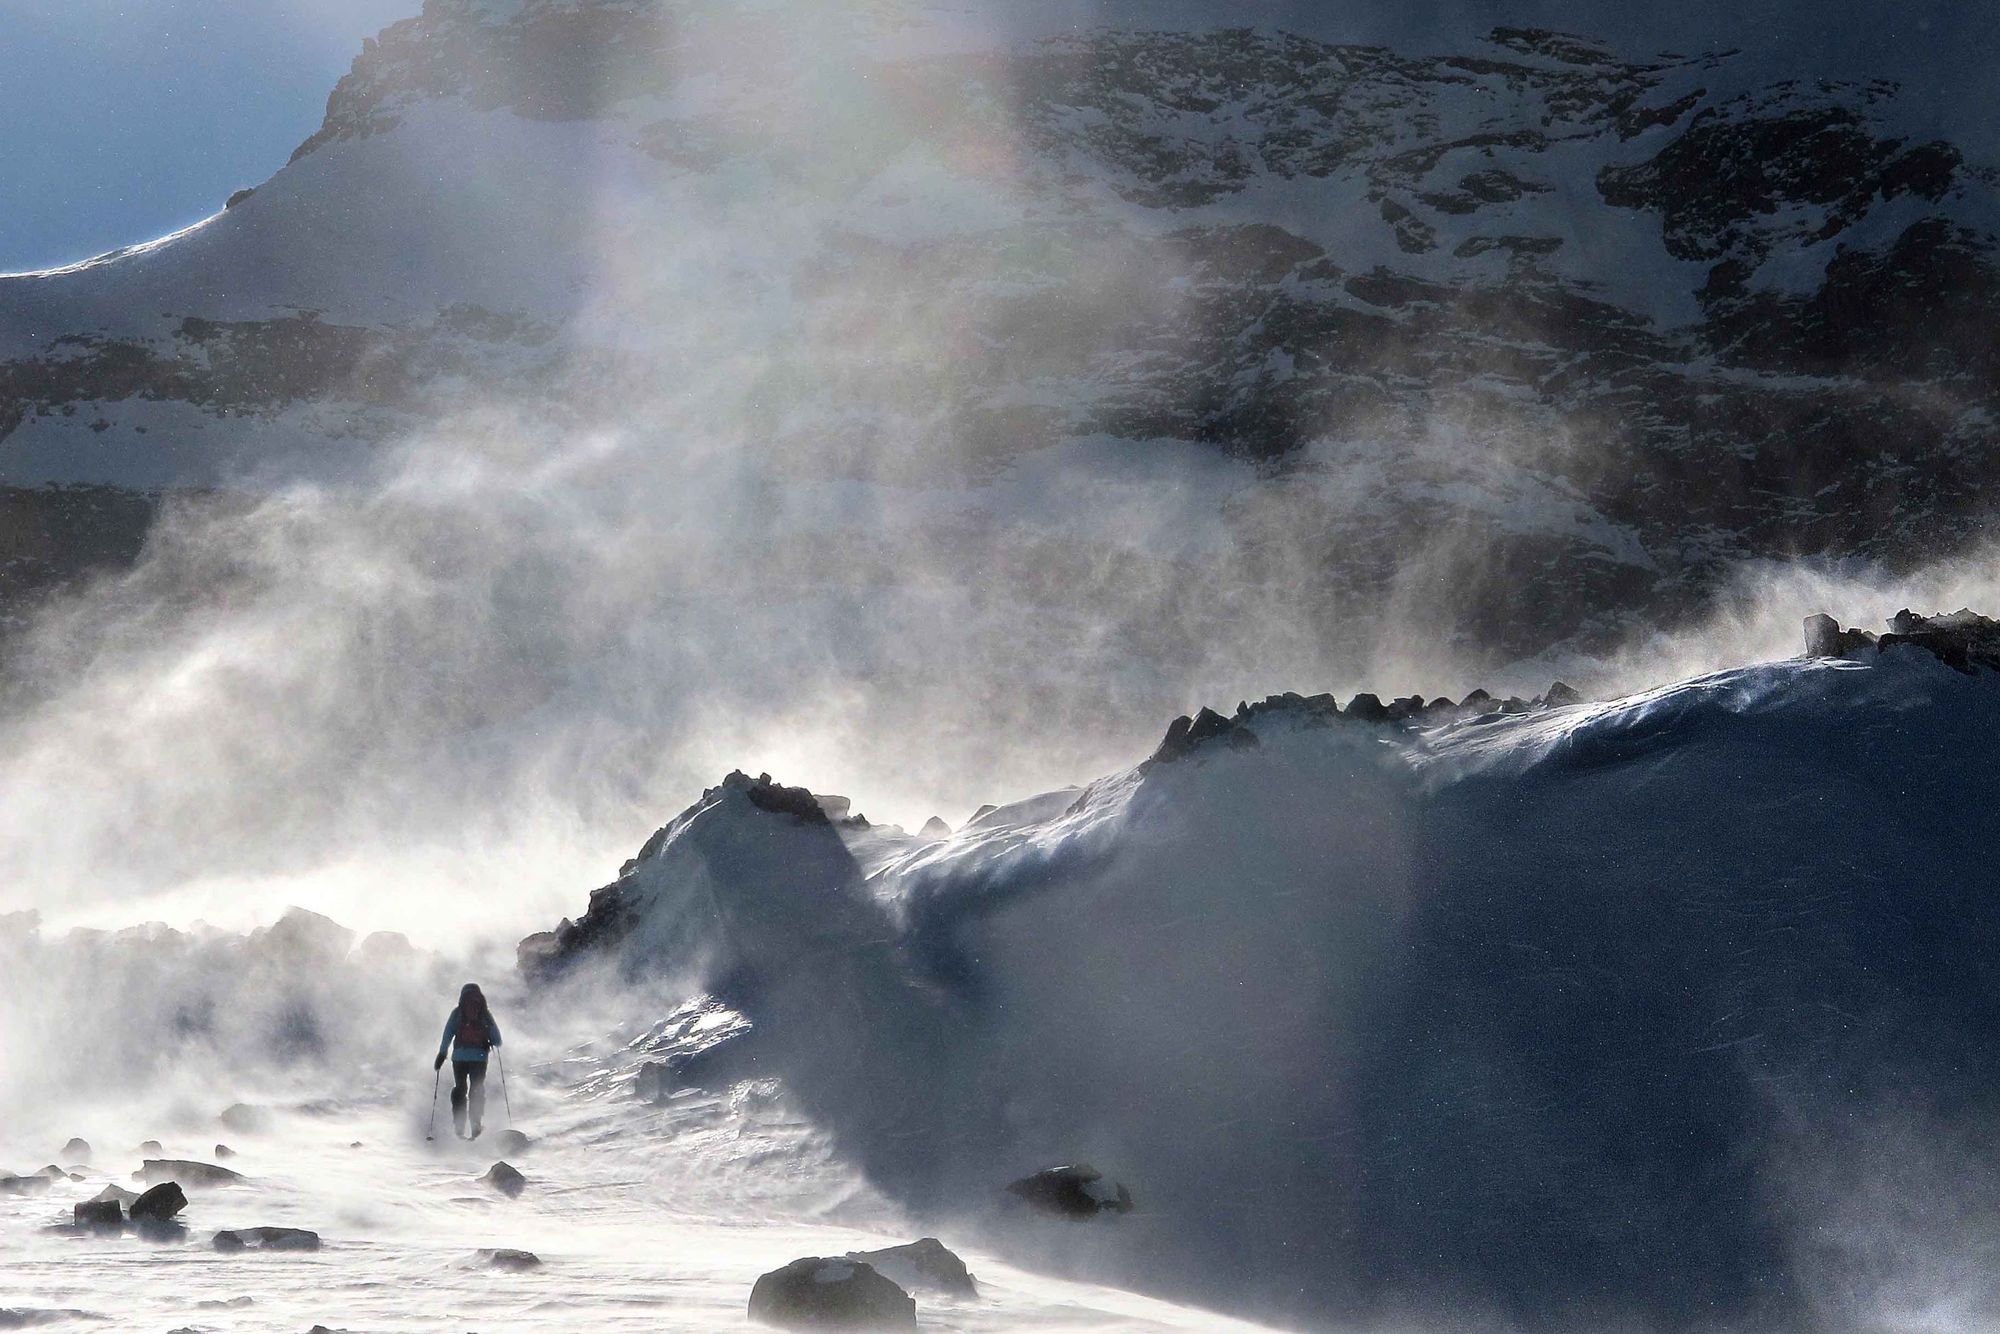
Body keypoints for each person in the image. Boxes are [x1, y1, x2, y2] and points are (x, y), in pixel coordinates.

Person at [434, 983, 503, 1139]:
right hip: (479, 1058)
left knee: (460, 1088)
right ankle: (476, 1125)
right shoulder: (484, 1014)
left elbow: (447, 1035)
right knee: (476, 1088)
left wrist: (441, 1055)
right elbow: (497, 1040)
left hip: (459, 1058)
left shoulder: (457, 1013)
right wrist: (488, 1042)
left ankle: (459, 1125)